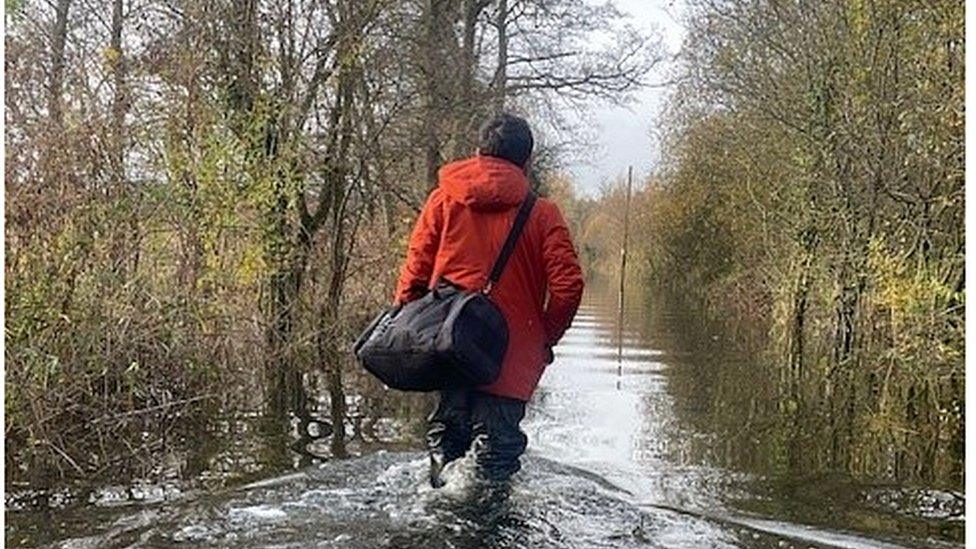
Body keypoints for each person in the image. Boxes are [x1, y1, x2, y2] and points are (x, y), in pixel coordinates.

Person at [394, 113, 584, 487]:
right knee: (494, 466)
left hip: (449, 350)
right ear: (527, 162)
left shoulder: (443, 201)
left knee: (446, 457)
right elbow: (568, 286)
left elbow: (414, 274)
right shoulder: (543, 215)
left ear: (478, 152)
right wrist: (544, 337)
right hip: (508, 364)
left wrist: (416, 333)